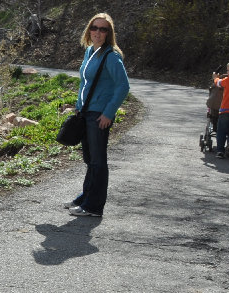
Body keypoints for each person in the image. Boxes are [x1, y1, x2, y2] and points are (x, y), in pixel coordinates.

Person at [64, 13, 130, 217]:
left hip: (99, 115)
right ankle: (86, 197)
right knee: (90, 159)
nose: (98, 32)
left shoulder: (111, 56)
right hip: (86, 112)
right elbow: (85, 83)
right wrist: (78, 106)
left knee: (98, 160)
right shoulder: (90, 52)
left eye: (103, 29)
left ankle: (93, 206)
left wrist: (109, 112)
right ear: (89, 30)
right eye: (94, 28)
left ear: (109, 33)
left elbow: (123, 86)